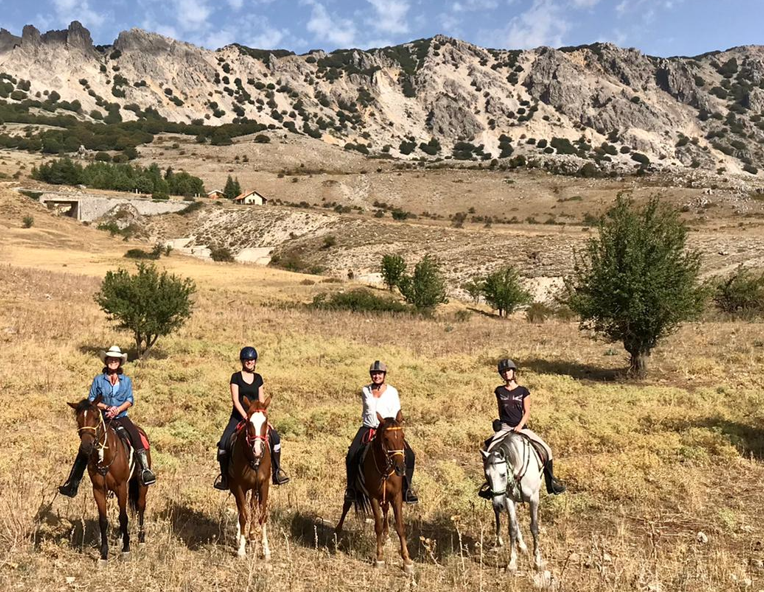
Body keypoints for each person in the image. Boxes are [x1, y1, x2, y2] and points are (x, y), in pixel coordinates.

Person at [59, 345, 156, 498]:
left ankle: (145, 470)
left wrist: (117, 409)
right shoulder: (98, 380)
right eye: (110, 359)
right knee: (85, 447)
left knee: (136, 437)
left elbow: (130, 400)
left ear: (119, 362)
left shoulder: (126, 381)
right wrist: (107, 407)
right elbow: (92, 400)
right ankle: (72, 483)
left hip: (121, 416)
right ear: (106, 361)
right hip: (103, 417)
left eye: (115, 360)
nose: (113, 362)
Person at [478, 358, 565, 499]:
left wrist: (519, 426)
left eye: (509, 371)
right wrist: (499, 424)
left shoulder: (523, 391)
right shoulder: (499, 391)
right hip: (505, 428)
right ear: (501, 374)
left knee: (547, 450)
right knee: (489, 452)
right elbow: (500, 410)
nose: (507, 374)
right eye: (504, 372)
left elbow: (527, 412)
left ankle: (551, 483)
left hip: (521, 427)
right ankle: (490, 485)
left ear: (514, 372)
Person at [214, 346, 289, 490]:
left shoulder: (258, 378)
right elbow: (236, 400)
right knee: (223, 444)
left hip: (257, 417)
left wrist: (266, 420)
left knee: (276, 438)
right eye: (247, 360)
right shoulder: (236, 377)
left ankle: (277, 471)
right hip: (239, 416)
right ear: (242, 361)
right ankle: (224, 477)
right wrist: (246, 417)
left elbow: (261, 402)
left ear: (255, 361)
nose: (250, 362)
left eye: (252, 360)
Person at [344, 361, 418, 504]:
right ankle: (351, 488)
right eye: (374, 373)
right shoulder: (365, 390)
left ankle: (407, 489)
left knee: (410, 455)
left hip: (387, 430)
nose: (376, 376)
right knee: (352, 454)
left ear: (384, 375)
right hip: (369, 428)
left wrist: (390, 427)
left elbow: (396, 412)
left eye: (379, 373)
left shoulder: (392, 391)